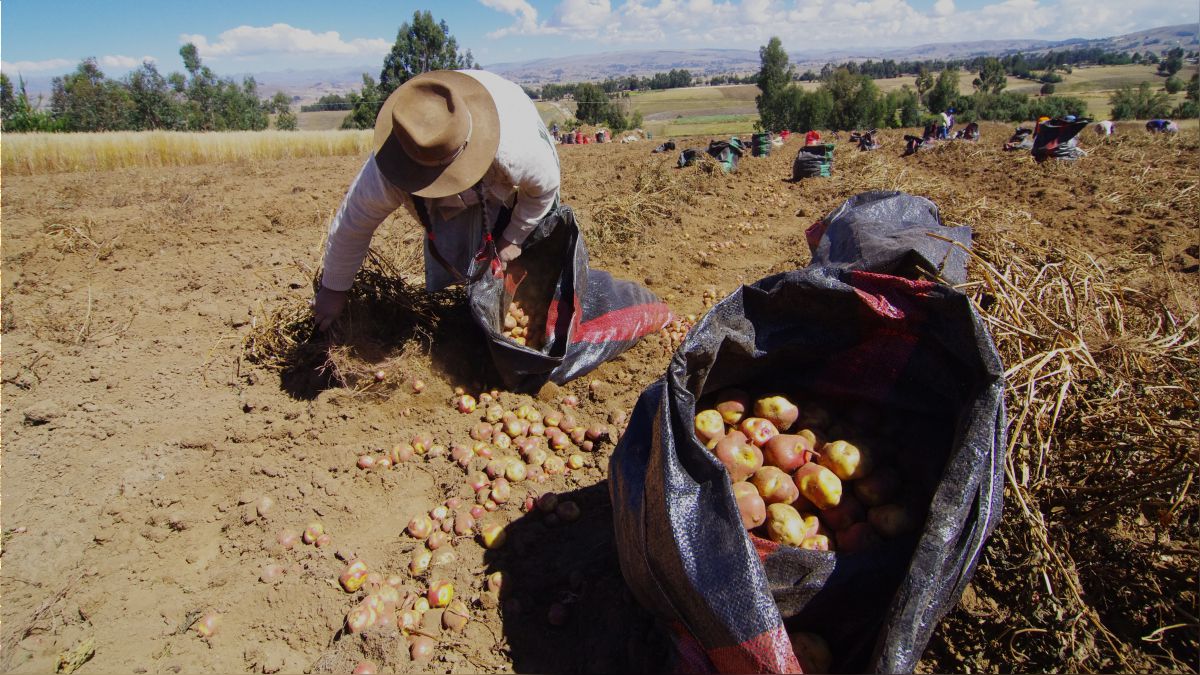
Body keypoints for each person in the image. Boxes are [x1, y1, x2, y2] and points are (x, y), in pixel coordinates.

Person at [312, 69, 560, 331]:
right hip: (454, 170)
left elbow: (544, 189)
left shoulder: (514, 147)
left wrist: (513, 238)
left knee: (534, 238)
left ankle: (536, 294)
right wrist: (333, 291)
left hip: (507, 142)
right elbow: (352, 226)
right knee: (456, 241)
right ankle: (474, 303)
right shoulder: (389, 166)